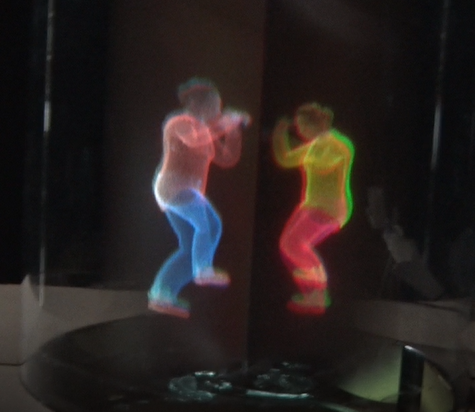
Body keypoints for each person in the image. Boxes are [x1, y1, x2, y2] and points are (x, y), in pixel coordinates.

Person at [148, 78, 250, 318]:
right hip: (174, 188)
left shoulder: (205, 130)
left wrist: (233, 130)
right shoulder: (179, 122)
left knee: (200, 238)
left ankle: (162, 294)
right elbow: (195, 140)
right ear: (198, 105)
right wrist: (224, 125)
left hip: (190, 193)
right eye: (215, 106)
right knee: (205, 225)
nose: (218, 111)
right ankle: (203, 269)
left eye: (219, 107)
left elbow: (227, 158)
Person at [272, 102, 354, 314]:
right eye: (298, 126)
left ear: (316, 124)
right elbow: (285, 159)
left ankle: (318, 292)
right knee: (287, 245)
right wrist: (279, 135)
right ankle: (313, 292)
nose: (300, 130)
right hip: (312, 205)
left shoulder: (339, 143)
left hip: (329, 209)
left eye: (302, 125)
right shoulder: (315, 145)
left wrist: (306, 151)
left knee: (295, 244)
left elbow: (324, 162)